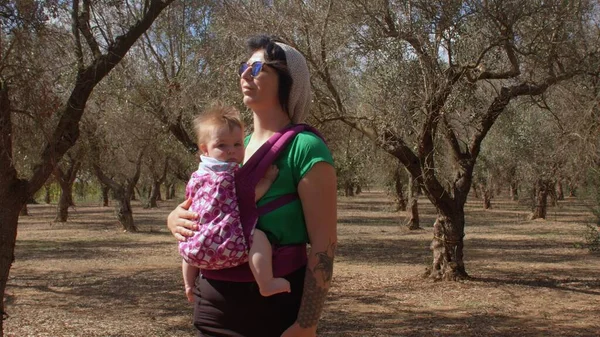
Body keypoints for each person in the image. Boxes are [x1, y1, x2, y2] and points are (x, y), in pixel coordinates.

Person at [167, 35, 337, 337]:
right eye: (244, 67)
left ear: (288, 82)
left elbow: (324, 245)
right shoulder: (233, 149)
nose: (245, 74)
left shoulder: (306, 148)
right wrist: (173, 218)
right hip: (211, 304)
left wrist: (307, 323)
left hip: (272, 311)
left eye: (259, 69)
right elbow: (205, 205)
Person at [180, 104, 291, 303]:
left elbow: (188, 204)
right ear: (205, 149)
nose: (231, 151)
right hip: (229, 244)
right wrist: (267, 180)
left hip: (200, 249)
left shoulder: (197, 176)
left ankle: (188, 283)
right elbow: (249, 197)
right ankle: (266, 282)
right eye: (222, 145)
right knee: (258, 237)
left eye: (237, 144)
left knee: (189, 240)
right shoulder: (230, 176)